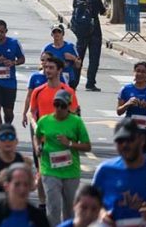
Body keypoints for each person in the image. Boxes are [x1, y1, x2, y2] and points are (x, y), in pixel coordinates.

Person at [91, 117, 146, 227]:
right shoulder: (104, 171)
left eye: (129, 140)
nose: (125, 145)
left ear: (142, 140)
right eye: (120, 141)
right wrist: (102, 214)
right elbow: (90, 205)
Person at [34, 89, 91, 226]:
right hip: (50, 170)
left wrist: (69, 143)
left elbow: (87, 146)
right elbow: (37, 137)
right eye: (56, 104)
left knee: (69, 210)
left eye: (63, 106)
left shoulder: (76, 122)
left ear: (69, 106)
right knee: (53, 207)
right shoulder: (44, 121)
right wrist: (38, 147)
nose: (59, 108)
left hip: (71, 171)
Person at [0, 163, 50, 227]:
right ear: (7, 186)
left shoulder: (38, 217)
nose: (22, 189)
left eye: (26, 184)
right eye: (17, 184)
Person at [117, 61, 146, 155]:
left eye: (143, 72)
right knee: (130, 157)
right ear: (134, 72)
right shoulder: (126, 89)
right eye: (138, 71)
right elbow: (119, 111)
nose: (140, 74)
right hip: (130, 130)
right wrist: (128, 104)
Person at [71, 0, 106, 91]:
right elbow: (103, 12)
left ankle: (74, 82)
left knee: (78, 58)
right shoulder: (96, 1)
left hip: (81, 34)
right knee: (94, 59)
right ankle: (90, 83)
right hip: (94, 32)